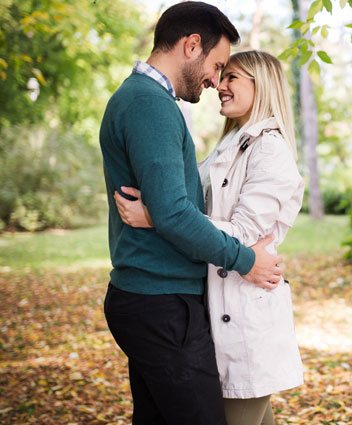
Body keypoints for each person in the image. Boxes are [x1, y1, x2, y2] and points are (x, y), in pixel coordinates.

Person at [99, 3, 283, 424]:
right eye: (217, 65)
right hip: (162, 305)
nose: (214, 80)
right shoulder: (150, 105)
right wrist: (246, 260)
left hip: (153, 300)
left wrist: (160, 214)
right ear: (191, 45)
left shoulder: (145, 100)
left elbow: (172, 208)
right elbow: (176, 214)